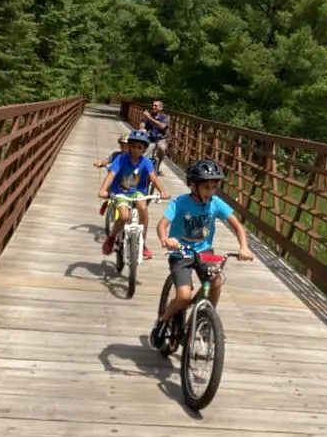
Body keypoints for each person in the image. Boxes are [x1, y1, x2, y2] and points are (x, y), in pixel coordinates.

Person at [150, 158, 253, 351]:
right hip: (180, 252)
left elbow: (238, 226)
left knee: (216, 281)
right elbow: (162, 225)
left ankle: (206, 318)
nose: (210, 191)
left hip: (205, 252)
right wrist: (166, 239)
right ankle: (163, 321)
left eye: (214, 187)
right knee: (183, 295)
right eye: (206, 187)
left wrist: (244, 247)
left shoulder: (216, 203)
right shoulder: (179, 203)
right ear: (193, 185)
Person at [99, 130, 170, 261]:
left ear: (144, 149)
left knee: (143, 208)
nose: (136, 150)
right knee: (124, 215)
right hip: (120, 191)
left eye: (140, 147)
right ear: (129, 146)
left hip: (137, 191)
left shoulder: (147, 162)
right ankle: (112, 237)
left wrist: (162, 191)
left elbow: (153, 178)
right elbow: (112, 175)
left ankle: (142, 243)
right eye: (133, 147)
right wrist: (103, 189)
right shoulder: (121, 159)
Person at [141, 99, 170, 174]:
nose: (153, 107)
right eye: (152, 105)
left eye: (155, 106)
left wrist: (149, 118)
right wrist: (144, 119)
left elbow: (162, 126)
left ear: (161, 108)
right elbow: (141, 127)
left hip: (160, 137)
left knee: (162, 148)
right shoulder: (147, 115)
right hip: (148, 135)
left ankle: (158, 166)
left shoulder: (165, 117)